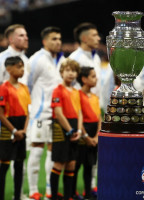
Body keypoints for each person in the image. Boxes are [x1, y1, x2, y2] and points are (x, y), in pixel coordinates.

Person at [0, 24, 29, 200]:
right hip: (4, 116)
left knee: (19, 158)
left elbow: (27, 88)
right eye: (21, 35)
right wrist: (4, 103)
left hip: (22, 116)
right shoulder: (0, 60)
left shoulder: (26, 60)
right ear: (11, 39)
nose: (25, 38)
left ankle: (19, 194)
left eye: (26, 35)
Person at [27, 26, 64, 200]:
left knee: (53, 152)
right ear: (44, 41)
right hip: (40, 114)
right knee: (36, 151)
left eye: (59, 39)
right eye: (54, 39)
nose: (58, 42)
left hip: (57, 115)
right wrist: (33, 107)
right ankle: (33, 189)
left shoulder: (62, 60)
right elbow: (27, 85)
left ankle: (50, 189)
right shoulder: (36, 59)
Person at [69, 23, 102, 195]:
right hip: (80, 116)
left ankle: (90, 189)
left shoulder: (95, 58)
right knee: (77, 160)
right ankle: (69, 190)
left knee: (91, 161)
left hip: (94, 112)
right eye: (95, 35)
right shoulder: (75, 58)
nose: (99, 38)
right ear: (84, 38)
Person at [0, 56, 30, 200]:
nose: (22, 70)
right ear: (9, 69)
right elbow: (0, 114)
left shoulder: (24, 88)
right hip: (9, 129)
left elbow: (28, 112)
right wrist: (14, 131)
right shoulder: (4, 88)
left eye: (23, 67)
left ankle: (17, 196)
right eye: (18, 67)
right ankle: (1, 197)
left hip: (22, 129)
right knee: (4, 165)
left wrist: (24, 130)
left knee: (19, 165)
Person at [50, 58, 82, 200]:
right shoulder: (57, 90)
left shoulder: (76, 91)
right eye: (68, 70)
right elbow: (58, 113)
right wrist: (70, 130)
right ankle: (55, 195)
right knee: (59, 162)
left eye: (74, 71)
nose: (71, 73)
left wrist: (79, 130)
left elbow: (80, 112)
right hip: (62, 128)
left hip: (75, 128)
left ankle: (68, 196)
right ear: (62, 72)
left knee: (71, 163)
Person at [72, 67, 100, 199]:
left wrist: (96, 136)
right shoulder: (77, 95)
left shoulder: (95, 96)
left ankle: (88, 193)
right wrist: (86, 136)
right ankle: (72, 192)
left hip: (94, 133)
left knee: (90, 165)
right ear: (84, 79)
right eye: (93, 76)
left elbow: (99, 117)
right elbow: (79, 117)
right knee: (77, 165)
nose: (96, 79)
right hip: (84, 133)